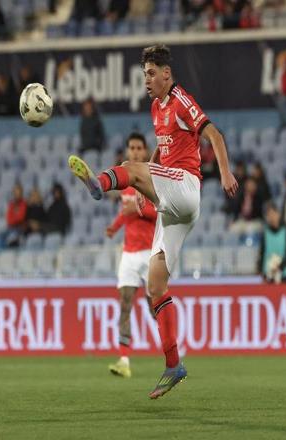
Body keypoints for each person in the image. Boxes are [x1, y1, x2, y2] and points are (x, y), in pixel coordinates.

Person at [68, 44, 237, 399]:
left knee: (129, 168)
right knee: (156, 287)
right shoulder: (156, 107)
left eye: (150, 73)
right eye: (143, 74)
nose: (146, 79)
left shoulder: (180, 100)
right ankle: (174, 364)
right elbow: (162, 148)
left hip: (186, 187)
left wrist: (224, 172)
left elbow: (214, 134)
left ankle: (99, 185)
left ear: (166, 74)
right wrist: (151, 178)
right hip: (172, 206)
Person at [105, 133, 157, 379]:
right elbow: (125, 212)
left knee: (154, 308)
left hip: (150, 252)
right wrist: (114, 227)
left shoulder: (152, 177)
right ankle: (124, 359)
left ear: (145, 151)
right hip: (129, 253)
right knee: (125, 304)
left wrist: (136, 208)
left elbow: (160, 212)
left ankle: (172, 352)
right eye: (132, 148)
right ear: (127, 151)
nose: (135, 152)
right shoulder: (125, 181)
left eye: (139, 148)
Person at [257, 203, 286, 283]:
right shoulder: (265, 232)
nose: (271, 217)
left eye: (273, 214)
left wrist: (280, 267)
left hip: (283, 274)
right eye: (269, 215)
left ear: (278, 214)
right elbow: (262, 252)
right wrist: (261, 271)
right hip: (268, 274)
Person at [0, 182, 27, 248]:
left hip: (20, 228)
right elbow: (9, 219)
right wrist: (15, 218)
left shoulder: (24, 204)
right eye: (15, 192)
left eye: (18, 192)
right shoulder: (11, 204)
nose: (16, 194)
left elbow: (21, 217)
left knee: (13, 236)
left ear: (21, 193)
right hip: (11, 227)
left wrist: (14, 218)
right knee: (0, 235)